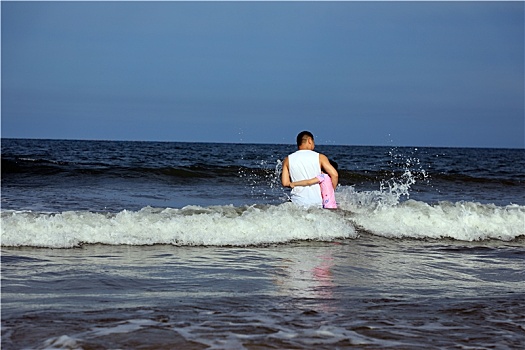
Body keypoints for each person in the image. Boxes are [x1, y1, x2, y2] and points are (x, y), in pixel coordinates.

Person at [281, 131, 338, 208]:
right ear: (309, 141)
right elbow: (334, 175)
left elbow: (285, 183)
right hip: (316, 202)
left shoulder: (288, 159)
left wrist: (295, 183)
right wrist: (330, 191)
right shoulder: (320, 157)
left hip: (297, 201)